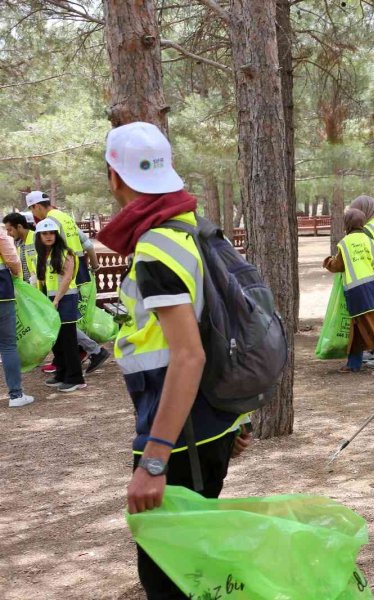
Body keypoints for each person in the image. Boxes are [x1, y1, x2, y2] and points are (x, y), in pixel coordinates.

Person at [97, 121, 252, 600]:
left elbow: (188, 354)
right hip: (207, 422)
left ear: (114, 177)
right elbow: (224, 323)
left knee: (170, 579)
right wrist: (235, 419)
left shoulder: (156, 247)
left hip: (182, 435)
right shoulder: (191, 229)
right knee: (193, 567)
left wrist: (155, 462)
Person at [24, 194, 110, 374]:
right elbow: (87, 243)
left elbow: (56, 250)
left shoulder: (50, 221)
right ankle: (75, 356)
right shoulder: (65, 216)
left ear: (36, 207)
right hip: (77, 268)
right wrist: (94, 265)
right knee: (67, 321)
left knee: (65, 322)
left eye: (32, 209)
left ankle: (88, 353)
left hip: (63, 271)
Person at [323, 208, 374, 376]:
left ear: (347, 224)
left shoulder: (344, 243)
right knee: (358, 327)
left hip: (356, 291)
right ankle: (354, 363)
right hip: (371, 287)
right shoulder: (368, 239)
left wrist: (328, 262)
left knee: (370, 328)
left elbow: (338, 266)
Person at [35, 219, 85, 393]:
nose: (48, 236)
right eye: (45, 233)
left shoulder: (66, 253)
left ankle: (75, 378)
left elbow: (67, 278)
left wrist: (56, 300)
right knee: (56, 341)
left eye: (51, 233)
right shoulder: (42, 255)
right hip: (50, 300)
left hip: (65, 299)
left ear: (56, 235)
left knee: (68, 340)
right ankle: (62, 374)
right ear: (39, 236)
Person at [0, 221, 32, 407]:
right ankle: (15, 395)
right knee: (8, 345)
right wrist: (16, 274)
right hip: (2, 292)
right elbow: (12, 259)